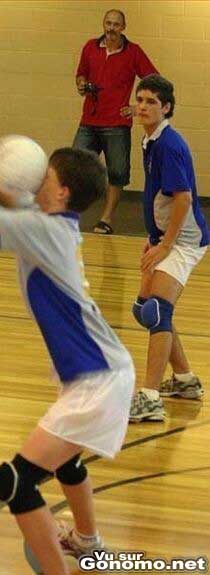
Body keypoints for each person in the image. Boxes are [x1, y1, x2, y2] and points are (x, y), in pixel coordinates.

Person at [0, 118, 135, 575]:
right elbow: (15, 194)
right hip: (97, 374)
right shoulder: (50, 221)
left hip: (98, 381)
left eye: (46, 175)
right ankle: (88, 541)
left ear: (63, 192)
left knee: (14, 481)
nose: (36, 179)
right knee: (65, 464)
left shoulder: (44, 231)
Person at [129, 74, 208, 423]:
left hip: (185, 240)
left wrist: (167, 244)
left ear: (166, 108)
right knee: (143, 309)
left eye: (151, 102)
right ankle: (186, 381)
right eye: (140, 99)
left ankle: (149, 398)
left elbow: (183, 198)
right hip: (165, 235)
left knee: (157, 311)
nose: (143, 106)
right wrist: (153, 235)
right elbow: (156, 197)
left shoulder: (169, 144)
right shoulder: (150, 140)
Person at [73, 9, 158, 235]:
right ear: (103, 24)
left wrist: (137, 108)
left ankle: (106, 218)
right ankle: (69, 216)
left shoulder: (134, 52)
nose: (111, 28)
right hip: (89, 120)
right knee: (73, 166)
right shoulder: (90, 47)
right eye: (108, 23)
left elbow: (154, 80)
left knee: (118, 172)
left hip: (116, 124)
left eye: (116, 24)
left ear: (123, 27)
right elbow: (81, 73)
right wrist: (81, 84)